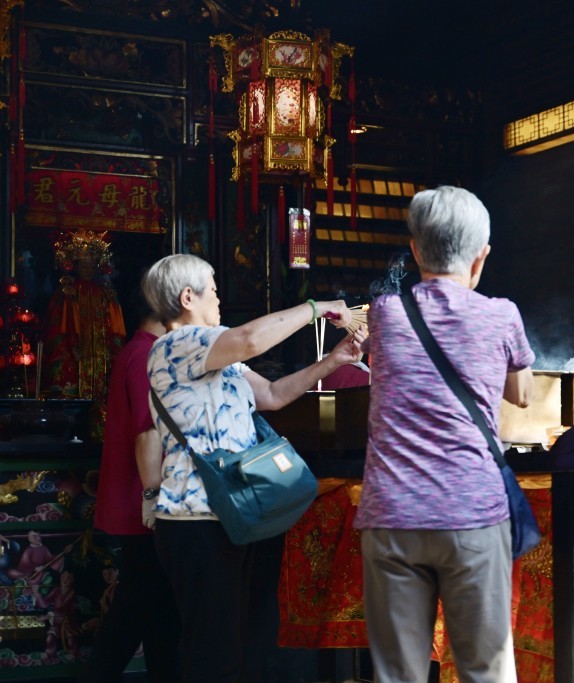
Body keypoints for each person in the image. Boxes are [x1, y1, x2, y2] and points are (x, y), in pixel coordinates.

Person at [141, 254, 365, 683]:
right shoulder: (176, 344)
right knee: (213, 654)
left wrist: (334, 361)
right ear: (188, 297)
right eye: (214, 287)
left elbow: (275, 394)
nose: (220, 297)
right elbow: (247, 339)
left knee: (235, 648)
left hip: (234, 514)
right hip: (196, 521)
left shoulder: (217, 356)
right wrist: (315, 308)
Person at [355, 185, 535, 683]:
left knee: (398, 675)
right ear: (482, 257)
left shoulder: (385, 313)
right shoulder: (502, 315)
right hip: (472, 515)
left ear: (415, 251)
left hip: (392, 516)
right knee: (485, 669)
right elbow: (522, 394)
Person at [81, 297, 180, 683]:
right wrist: (153, 498)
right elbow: (147, 431)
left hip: (141, 504)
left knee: (159, 615)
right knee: (135, 613)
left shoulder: (140, 351)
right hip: (143, 507)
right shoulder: (146, 355)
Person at [44, 230, 126, 409]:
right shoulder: (66, 293)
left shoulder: (106, 293)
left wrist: (114, 351)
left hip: (101, 354)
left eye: (92, 267)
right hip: (76, 353)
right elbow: (59, 327)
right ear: (75, 266)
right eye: (84, 266)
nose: (88, 271)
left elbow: (116, 327)